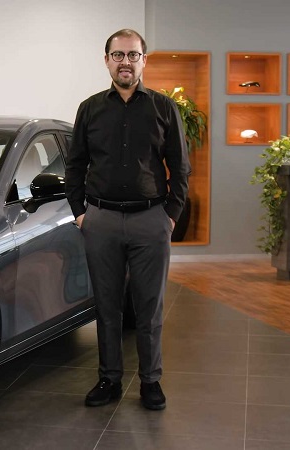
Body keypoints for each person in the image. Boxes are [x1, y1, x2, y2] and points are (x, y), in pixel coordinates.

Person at [64, 28, 190, 411]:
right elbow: (75, 165)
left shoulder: (164, 108)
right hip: (100, 220)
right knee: (107, 306)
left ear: (143, 61)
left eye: (133, 55)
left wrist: (170, 216)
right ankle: (109, 379)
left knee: (150, 307)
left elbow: (180, 167)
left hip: (150, 219)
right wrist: (81, 213)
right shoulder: (89, 109)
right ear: (106, 61)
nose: (125, 62)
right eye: (118, 55)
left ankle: (151, 381)